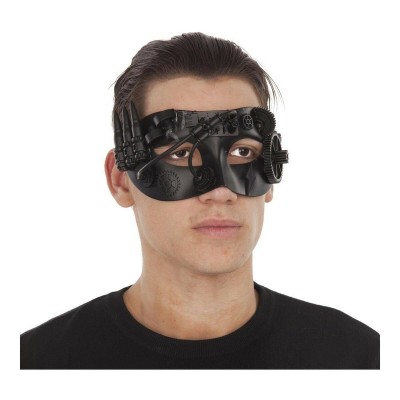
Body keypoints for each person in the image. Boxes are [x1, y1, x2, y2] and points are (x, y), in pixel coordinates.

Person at [20, 32, 379, 369]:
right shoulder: (39, 363)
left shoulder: (357, 358)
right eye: (180, 154)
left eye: (243, 152)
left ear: (271, 172)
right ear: (120, 180)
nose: (221, 192)